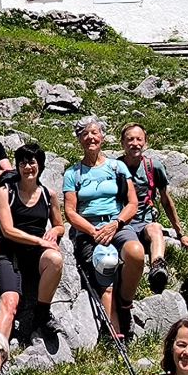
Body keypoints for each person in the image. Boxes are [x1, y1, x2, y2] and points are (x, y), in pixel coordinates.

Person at [62, 117, 142, 340]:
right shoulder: (72, 174)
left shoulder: (118, 167)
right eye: (84, 134)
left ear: (102, 137)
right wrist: (93, 232)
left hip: (116, 223)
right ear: (79, 139)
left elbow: (132, 203)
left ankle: (125, 302)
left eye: (94, 133)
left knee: (136, 252)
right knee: (106, 270)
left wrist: (116, 224)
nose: (90, 138)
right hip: (89, 228)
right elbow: (70, 212)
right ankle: (112, 333)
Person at [0, 142, 66, 344]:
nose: (27, 167)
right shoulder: (6, 192)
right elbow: (8, 230)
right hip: (8, 254)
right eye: (22, 163)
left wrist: (53, 233)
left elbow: (60, 225)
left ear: (40, 165)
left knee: (55, 260)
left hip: (35, 255)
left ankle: (42, 313)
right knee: (10, 302)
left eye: (31, 162)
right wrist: (40, 240)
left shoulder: (49, 195)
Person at [120, 123, 188, 295]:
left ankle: (157, 266)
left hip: (145, 222)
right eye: (130, 139)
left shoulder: (153, 167)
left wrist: (181, 234)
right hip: (122, 222)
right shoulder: (115, 167)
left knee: (156, 228)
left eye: (139, 139)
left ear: (145, 142)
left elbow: (166, 200)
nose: (135, 143)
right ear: (122, 144)